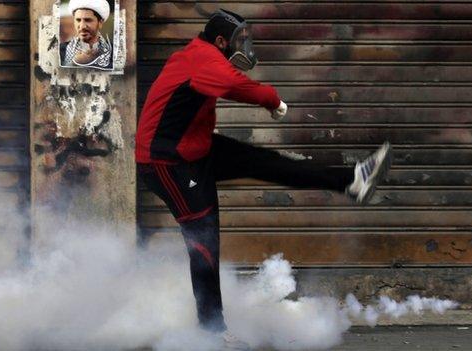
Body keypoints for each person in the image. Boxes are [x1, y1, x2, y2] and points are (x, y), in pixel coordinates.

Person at [135, 9, 392, 350]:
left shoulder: (205, 56)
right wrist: (272, 99)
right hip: (166, 163)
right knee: (203, 237)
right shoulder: (201, 59)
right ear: (222, 41)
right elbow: (230, 83)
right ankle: (211, 330)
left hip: (196, 150)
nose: (244, 46)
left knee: (269, 163)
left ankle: (352, 180)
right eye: (239, 40)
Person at [60, 0, 113, 69]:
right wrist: (73, 64)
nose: (82, 26)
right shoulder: (60, 50)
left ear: (100, 23)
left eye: (88, 20)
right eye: (78, 20)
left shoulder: (114, 52)